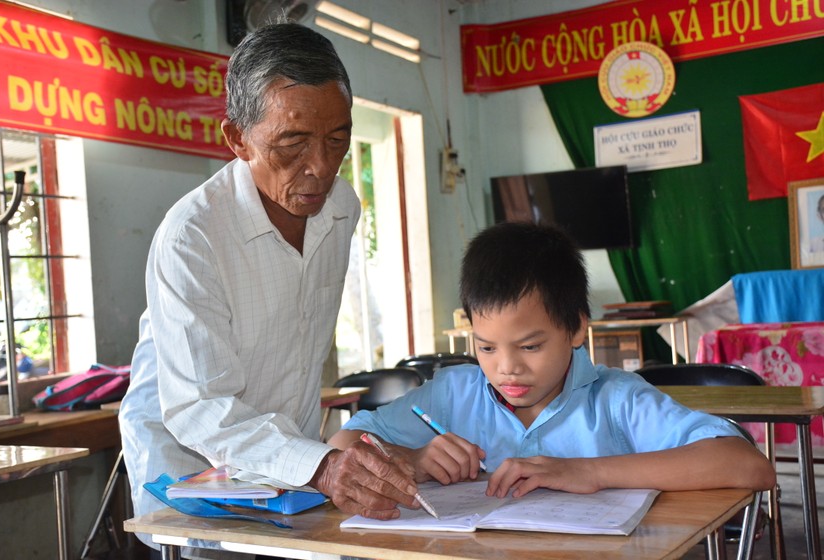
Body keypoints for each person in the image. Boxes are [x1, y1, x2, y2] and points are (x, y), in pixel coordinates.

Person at [119, 21, 422, 557]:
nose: (321, 168)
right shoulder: (192, 236)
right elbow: (199, 408)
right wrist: (320, 463)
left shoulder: (341, 207)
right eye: (292, 143)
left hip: (291, 458)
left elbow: (301, 343)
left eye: (337, 140)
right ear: (237, 139)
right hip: (195, 458)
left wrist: (312, 461)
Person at [329, 221, 775, 498]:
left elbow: (748, 465)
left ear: (577, 328)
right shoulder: (452, 393)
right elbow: (342, 445)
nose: (507, 368)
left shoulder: (614, 400)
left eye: (530, 346)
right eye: (486, 347)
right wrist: (412, 457)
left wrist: (590, 472)